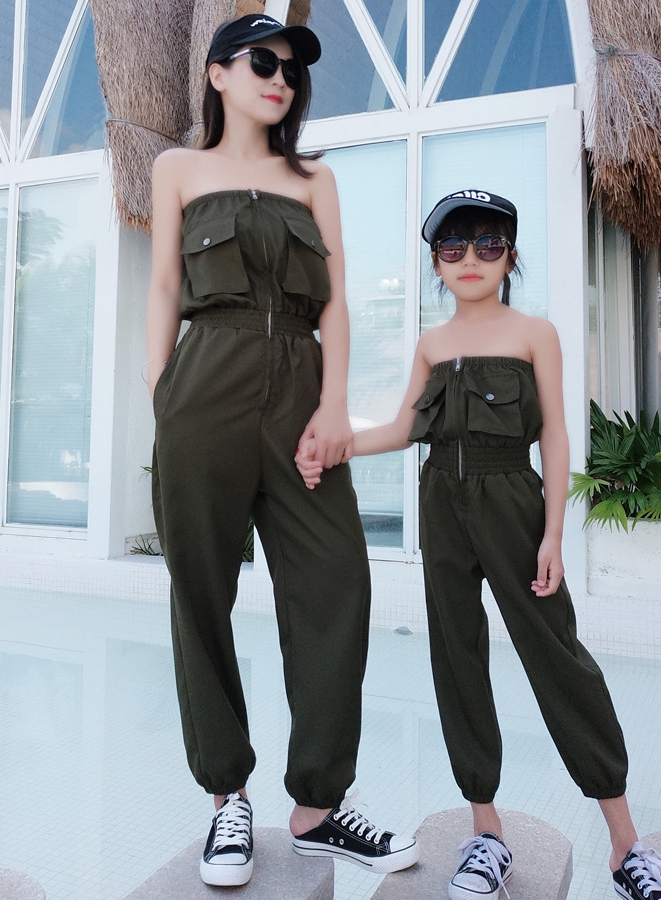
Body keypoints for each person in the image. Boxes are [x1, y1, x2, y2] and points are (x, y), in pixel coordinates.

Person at [296, 190, 661, 900]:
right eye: (452, 249)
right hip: (441, 503)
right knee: (458, 661)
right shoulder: (430, 344)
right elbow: (404, 428)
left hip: (513, 501)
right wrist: (335, 443)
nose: (469, 260)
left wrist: (555, 533)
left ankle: (626, 846)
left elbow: (558, 435)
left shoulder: (536, 334)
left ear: (510, 256)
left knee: (560, 659)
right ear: (436, 264)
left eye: (486, 245)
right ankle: (486, 832)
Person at [146, 14, 419, 888]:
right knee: (200, 593)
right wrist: (162, 396)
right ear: (219, 74)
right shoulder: (176, 169)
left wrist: (336, 407)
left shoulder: (315, 180)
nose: (282, 78)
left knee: (337, 582)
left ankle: (317, 807)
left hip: (301, 397)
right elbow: (161, 285)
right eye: (263, 62)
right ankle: (229, 800)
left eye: (293, 68)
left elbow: (335, 303)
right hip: (205, 392)